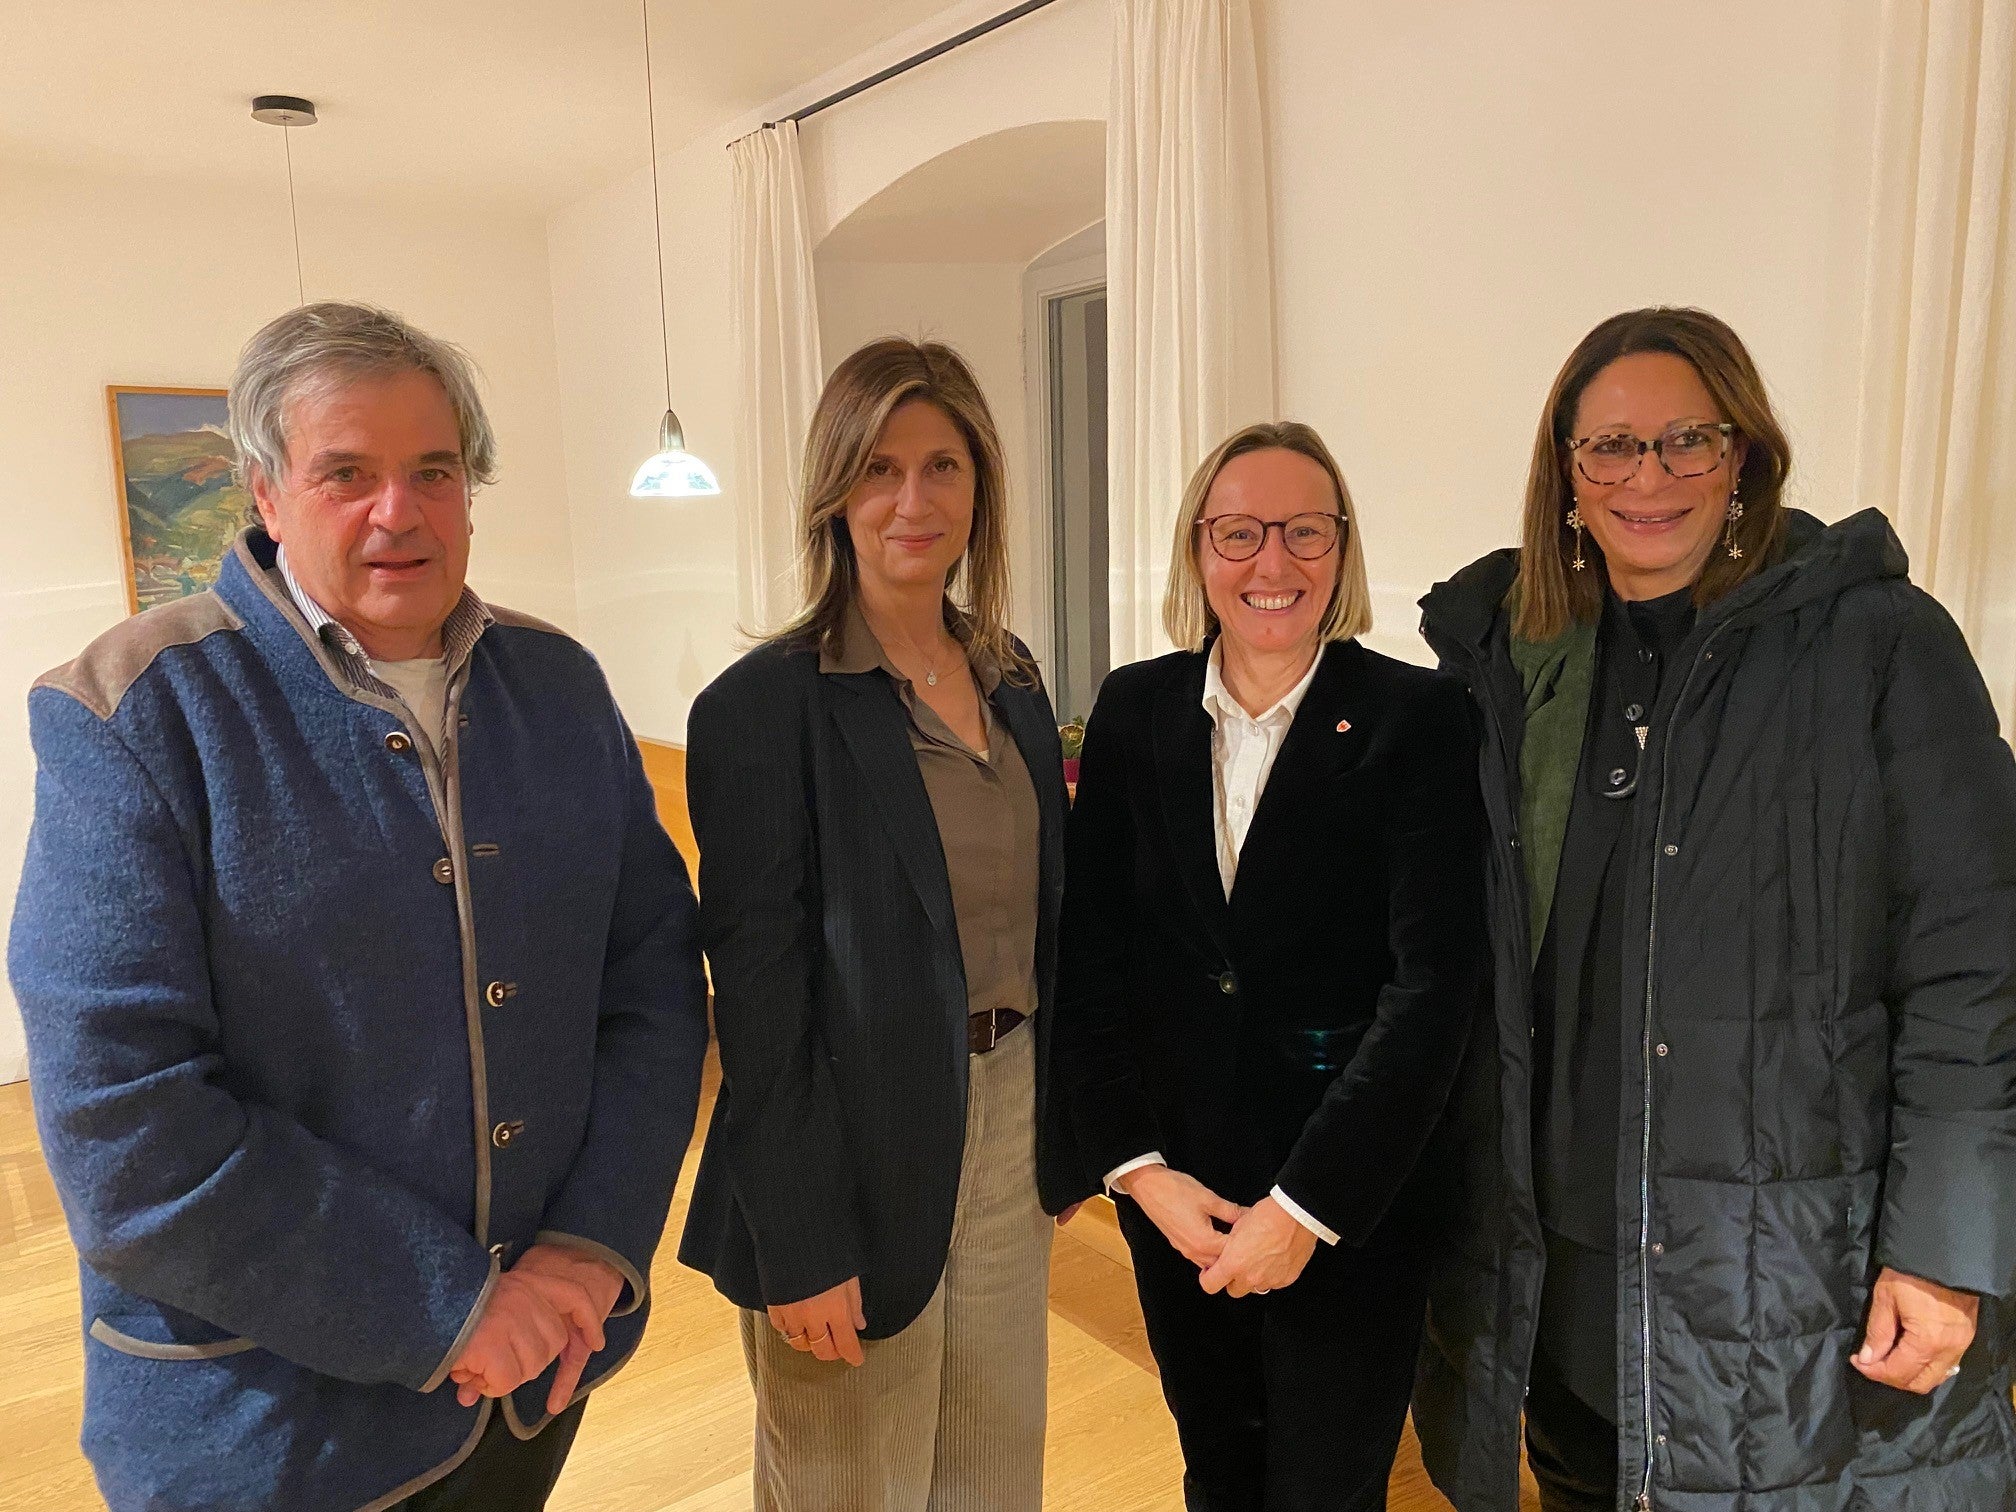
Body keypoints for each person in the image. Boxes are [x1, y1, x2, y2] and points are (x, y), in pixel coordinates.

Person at [8, 301, 711, 1512]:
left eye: (434, 470)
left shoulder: (558, 685)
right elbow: (125, 1128)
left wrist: (591, 1248)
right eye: (347, 473)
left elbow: (650, 986)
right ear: (266, 494)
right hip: (263, 1432)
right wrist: (450, 1306)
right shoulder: (135, 712)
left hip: (535, 1379)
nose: (401, 511)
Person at [1413, 306, 2016, 1511]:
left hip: (1793, 1290)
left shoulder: (1877, 646)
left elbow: (1976, 965)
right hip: (1559, 1281)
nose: (1649, 477)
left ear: (1742, 455)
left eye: (1687, 439)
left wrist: (1946, 1249)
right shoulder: (1511, 663)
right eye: (1611, 447)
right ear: (1566, 476)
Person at [677, 337, 1087, 1511]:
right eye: (880, 469)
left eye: (943, 466)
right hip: (846, 1141)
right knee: (853, 1484)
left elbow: (1050, 924)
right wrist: (801, 1241)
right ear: (834, 490)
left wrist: (1066, 1127)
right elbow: (761, 1002)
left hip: (1007, 1119)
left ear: (980, 487)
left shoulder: (1012, 678)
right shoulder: (765, 707)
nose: (914, 500)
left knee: (993, 1475)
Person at [1055, 420, 1488, 1511]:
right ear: (1198, 549)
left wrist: (1304, 1207)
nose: (1272, 561)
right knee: (1217, 1471)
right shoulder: (1133, 709)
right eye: (1240, 532)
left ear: (1342, 548)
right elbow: (1092, 958)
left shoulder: (1419, 717)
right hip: (1178, 1195)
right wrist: (1138, 1172)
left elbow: (1433, 989)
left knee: (1327, 1489)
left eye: (1305, 531)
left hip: (1348, 1202)